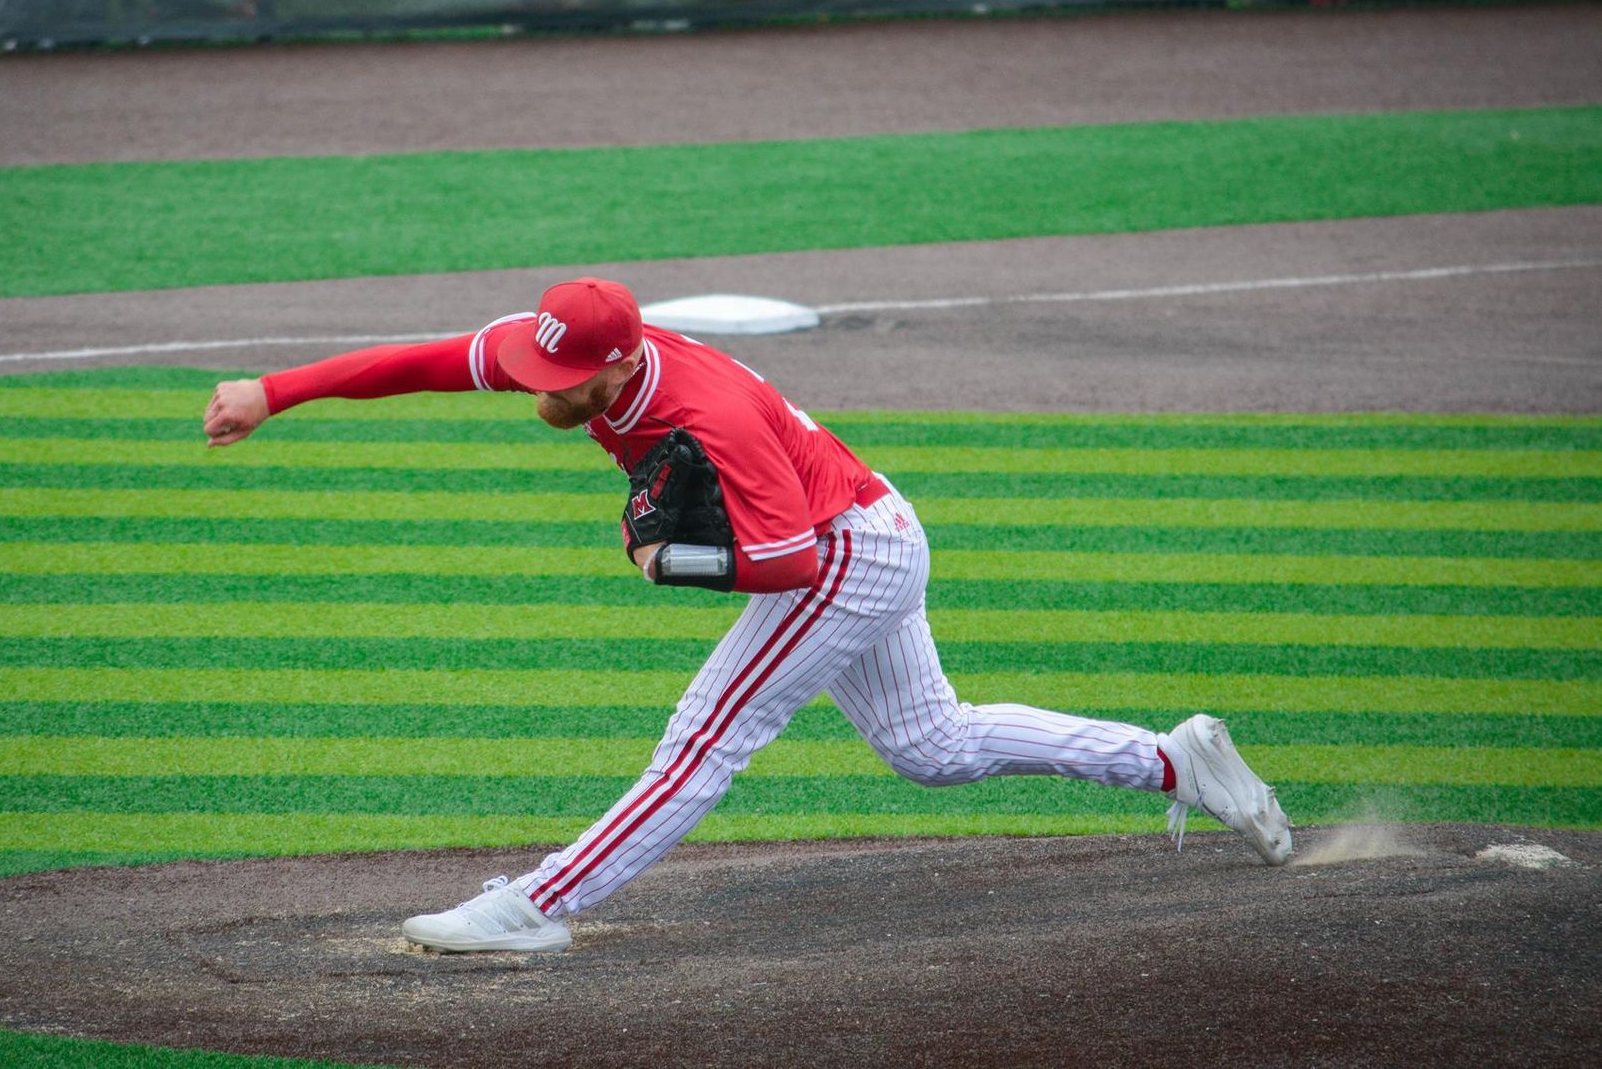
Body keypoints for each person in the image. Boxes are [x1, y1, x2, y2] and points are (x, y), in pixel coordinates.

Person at [201, 277, 1293, 953]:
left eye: (562, 378)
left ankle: (537, 903)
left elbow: (783, 560)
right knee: (934, 744)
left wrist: (658, 556)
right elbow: (430, 361)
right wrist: (276, 390)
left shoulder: (704, 409)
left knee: (705, 739)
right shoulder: (569, 349)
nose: (541, 389)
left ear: (620, 361)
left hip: (845, 552)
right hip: (864, 526)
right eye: (538, 364)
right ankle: (1175, 760)